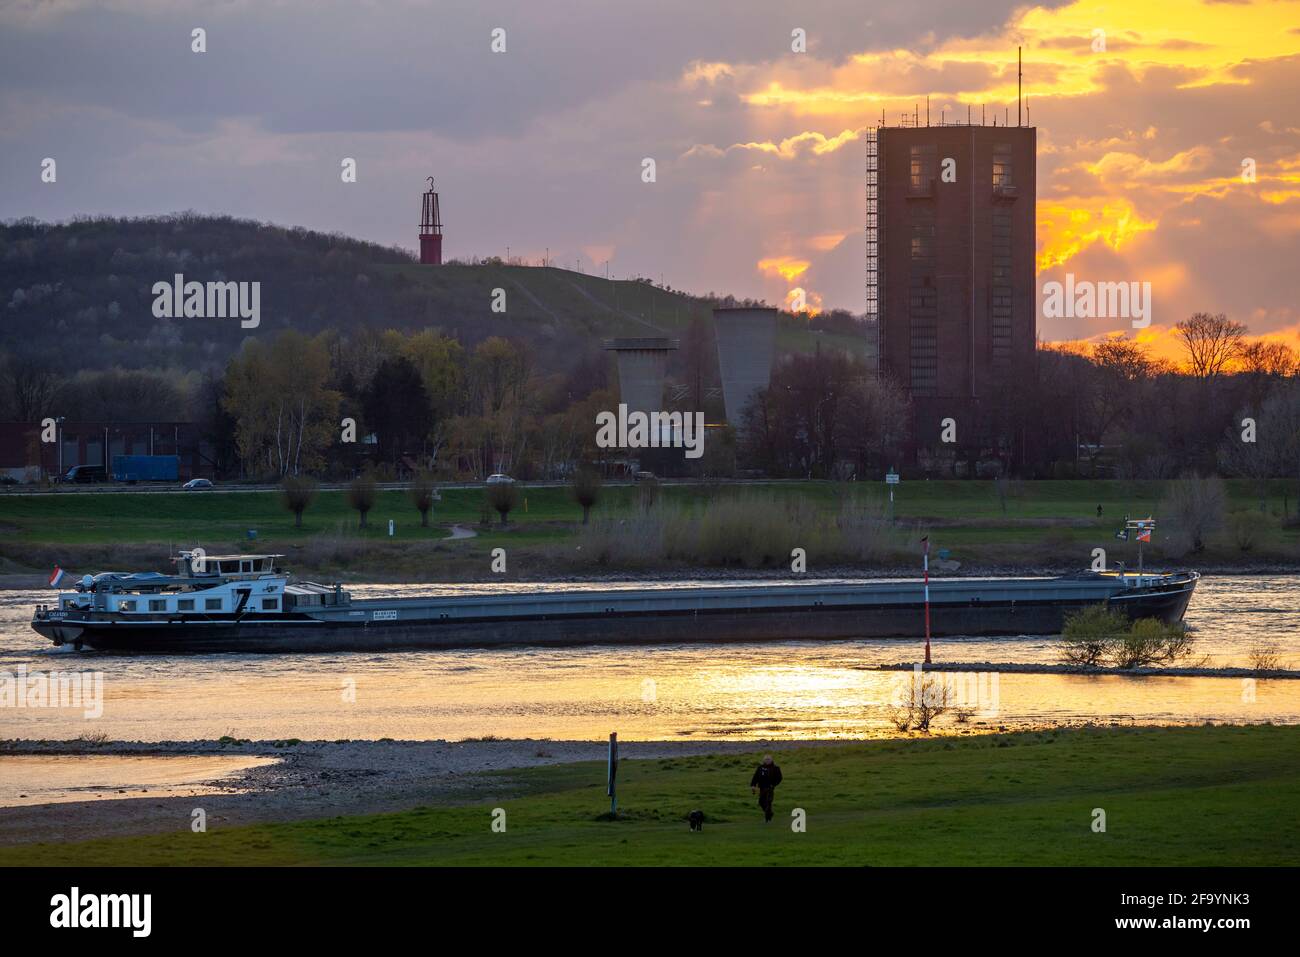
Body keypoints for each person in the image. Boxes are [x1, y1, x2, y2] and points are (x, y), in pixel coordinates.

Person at [749, 755, 783, 823]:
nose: (767, 761)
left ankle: (767, 819)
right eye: (766, 759)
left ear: (771, 760)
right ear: (763, 760)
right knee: (761, 802)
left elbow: (780, 778)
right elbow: (755, 777)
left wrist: (773, 784)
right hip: (762, 787)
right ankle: (770, 814)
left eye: (768, 759)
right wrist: (753, 785)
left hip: (770, 788)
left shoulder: (776, 768)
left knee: (768, 802)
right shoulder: (760, 768)